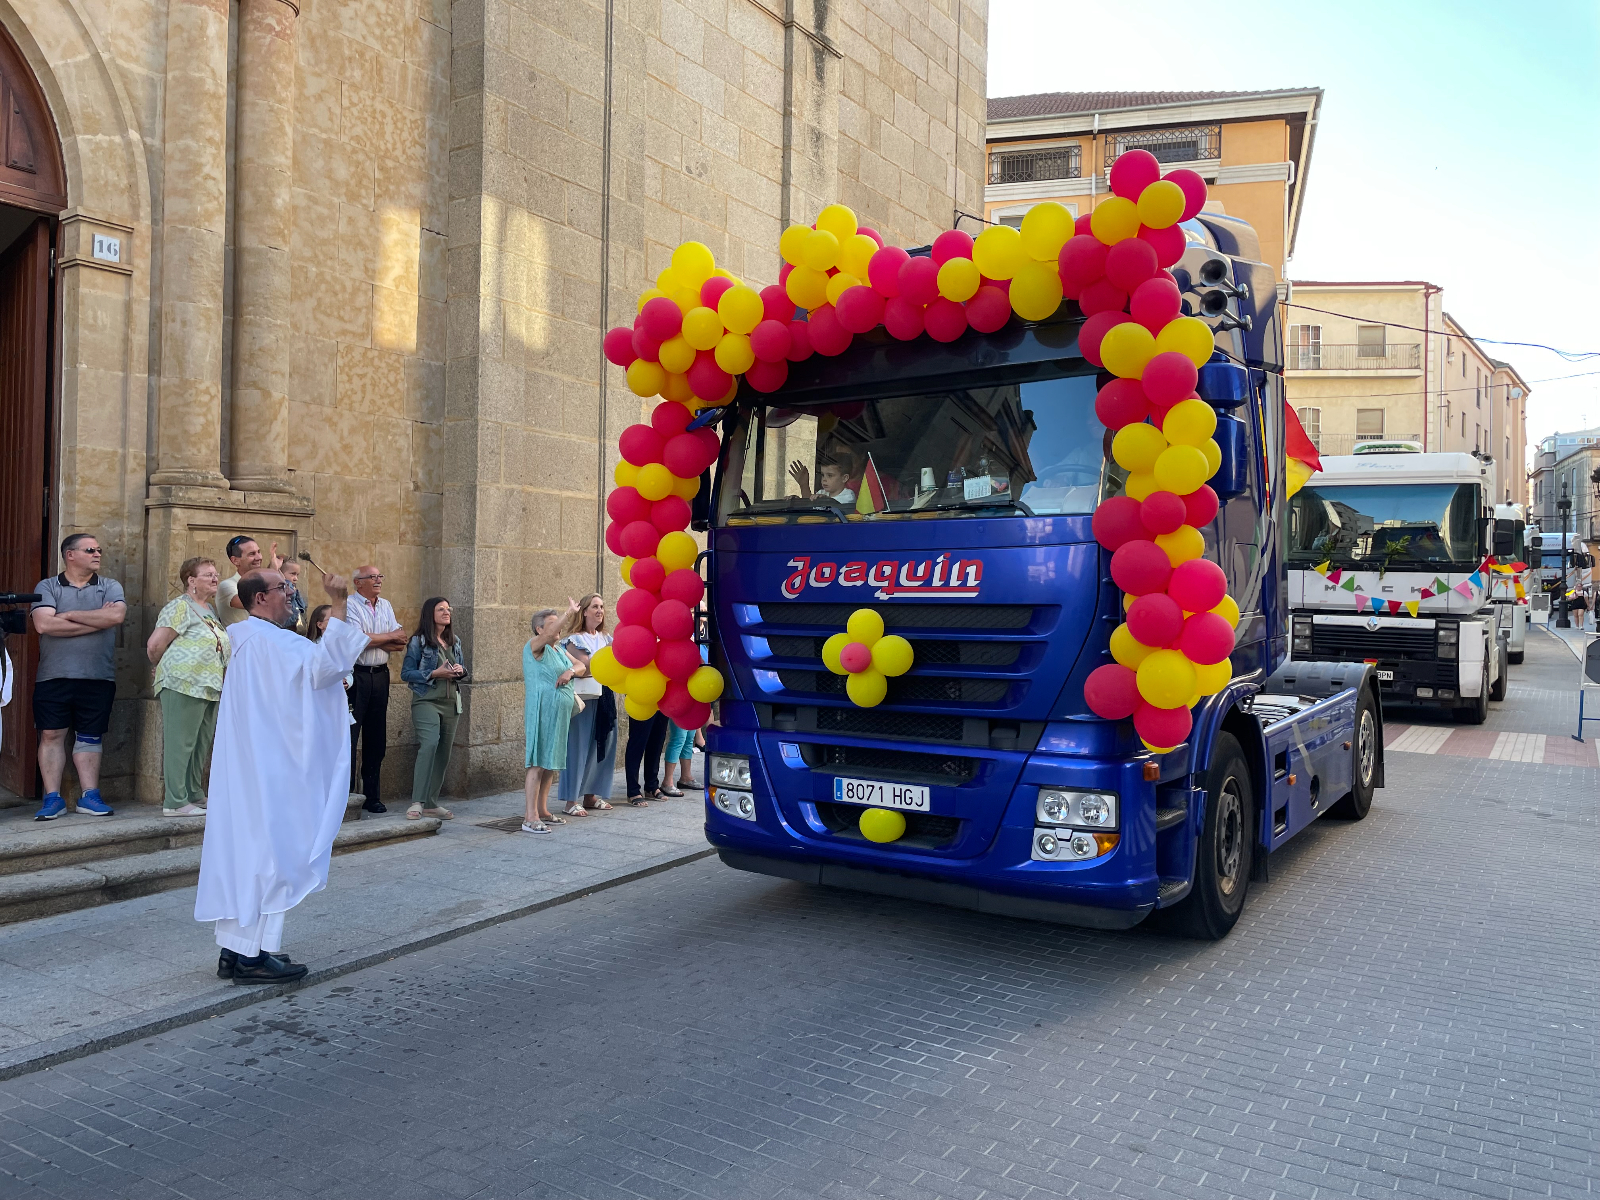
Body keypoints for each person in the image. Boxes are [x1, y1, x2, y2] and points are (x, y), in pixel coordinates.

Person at [195, 567, 367, 983]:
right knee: (273, 854)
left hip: (246, 763)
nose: (291, 595)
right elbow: (329, 668)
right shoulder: (278, 642)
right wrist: (341, 602)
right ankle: (253, 958)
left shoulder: (243, 638)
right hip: (274, 765)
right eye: (283, 588)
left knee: (243, 852)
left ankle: (234, 950)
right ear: (258, 598)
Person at [29, 533, 126, 820]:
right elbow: (44, 624)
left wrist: (68, 615)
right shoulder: (47, 586)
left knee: (90, 736)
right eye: (90, 550)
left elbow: (116, 618)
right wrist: (96, 621)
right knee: (51, 734)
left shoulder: (110, 586)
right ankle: (52, 798)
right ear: (70, 555)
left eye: (99, 549)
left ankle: (90, 796)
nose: (97, 553)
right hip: (53, 675)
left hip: (98, 676)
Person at [146, 557, 230, 816]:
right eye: (208, 575)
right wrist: (162, 667)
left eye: (216, 574)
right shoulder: (180, 606)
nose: (215, 578)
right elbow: (155, 644)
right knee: (180, 742)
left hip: (208, 684)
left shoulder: (208, 609)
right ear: (190, 580)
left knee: (200, 742)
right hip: (184, 682)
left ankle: (194, 793)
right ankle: (175, 801)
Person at [344, 564, 408, 812]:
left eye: (380, 575)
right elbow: (355, 641)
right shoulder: (350, 605)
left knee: (376, 738)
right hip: (356, 677)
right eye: (372, 577)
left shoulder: (386, 605)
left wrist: (369, 639)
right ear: (358, 583)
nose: (378, 580)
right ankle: (347, 796)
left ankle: (372, 796)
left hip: (380, 676)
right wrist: (381, 638)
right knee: (350, 736)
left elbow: (400, 640)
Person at [400, 597, 464, 821]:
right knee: (429, 745)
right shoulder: (418, 641)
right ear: (430, 614)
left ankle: (431, 803)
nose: (447, 612)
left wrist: (459, 669)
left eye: (448, 609)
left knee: (444, 753)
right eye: (441, 609)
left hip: (451, 703)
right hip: (426, 700)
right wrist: (433, 674)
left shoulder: (453, 640)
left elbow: (462, 669)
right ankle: (417, 801)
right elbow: (406, 673)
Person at [555, 594, 617, 816]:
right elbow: (587, 667)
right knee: (578, 748)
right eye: (595, 607)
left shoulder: (607, 638)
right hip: (584, 700)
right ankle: (571, 800)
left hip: (605, 697)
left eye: (602, 606)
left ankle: (591, 795)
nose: (600, 611)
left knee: (602, 745)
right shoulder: (574, 640)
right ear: (584, 612)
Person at [522, 608, 583, 833]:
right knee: (537, 762)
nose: (558, 627)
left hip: (558, 714)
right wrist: (569, 613)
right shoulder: (535, 646)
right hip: (541, 711)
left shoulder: (558, 650)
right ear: (539, 629)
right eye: (551, 623)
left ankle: (543, 810)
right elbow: (548, 637)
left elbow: (581, 665)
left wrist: (569, 673)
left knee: (550, 763)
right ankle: (530, 816)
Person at [215, 536, 281, 627]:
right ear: (235, 560)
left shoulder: (262, 582)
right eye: (252, 554)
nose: (258, 557)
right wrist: (273, 572)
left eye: (259, 552)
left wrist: (275, 571)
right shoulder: (227, 585)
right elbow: (256, 602)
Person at [623, 711, 669, 806]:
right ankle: (633, 791)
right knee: (638, 740)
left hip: (662, 698)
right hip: (641, 699)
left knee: (658, 739)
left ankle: (651, 786)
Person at [788, 457, 855, 507]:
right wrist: (804, 485)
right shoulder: (822, 492)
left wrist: (824, 500)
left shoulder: (849, 496)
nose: (824, 479)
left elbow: (836, 506)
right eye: (822, 475)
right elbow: (809, 506)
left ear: (844, 478)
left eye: (830, 475)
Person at [660, 720, 699, 797]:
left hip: (692, 707)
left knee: (689, 737)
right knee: (678, 737)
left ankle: (686, 777)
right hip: (678, 708)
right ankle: (667, 782)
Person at [279, 558, 308, 633]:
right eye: (293, 574)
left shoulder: (294, 590)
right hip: (285, 627)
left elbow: (303, 606)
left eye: (297, 575)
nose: (296, 579)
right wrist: (287, 583)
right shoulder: (283, 588)